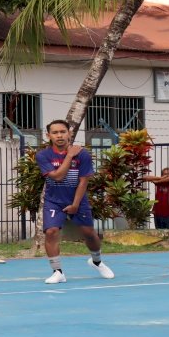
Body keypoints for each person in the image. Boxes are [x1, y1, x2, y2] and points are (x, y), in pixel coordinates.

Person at [36, 120, 114, 284]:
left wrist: (75, 204)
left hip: (78, 200)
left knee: (89, 233)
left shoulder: (83, 154)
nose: (59, 135)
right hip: (53, 201)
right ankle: (58, 272)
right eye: (55, 132)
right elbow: (57, 177)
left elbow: (83, 181)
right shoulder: (43, 155)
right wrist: (70, 155)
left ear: (69, 133)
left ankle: (96, 261)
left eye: (63, 131)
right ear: (48, 135)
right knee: (51, 232)